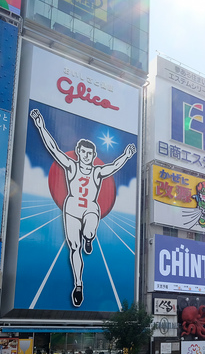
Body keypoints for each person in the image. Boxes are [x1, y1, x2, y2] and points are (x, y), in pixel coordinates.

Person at [29, 108, 137, 307]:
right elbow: (53, 149)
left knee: (89, 229)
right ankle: (78, 285)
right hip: (71, 208)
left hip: (90, 209)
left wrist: (127, 156)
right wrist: (40, 125)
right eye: (83, 152)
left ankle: (89, 237)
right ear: (79, 153)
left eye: (89, 153)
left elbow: (113, 166)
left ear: (93, 155)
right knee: (74, 248)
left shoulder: (97, 172)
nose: (86, 155)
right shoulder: (71, 166)